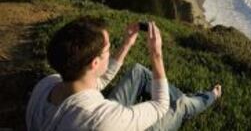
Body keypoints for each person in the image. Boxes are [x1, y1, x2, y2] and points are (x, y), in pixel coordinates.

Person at [26, 16, 222, 130]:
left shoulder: (46, 85)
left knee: (138, 71)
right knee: (177, 105)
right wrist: (156, 53)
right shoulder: (102, 120)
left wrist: (127, 44)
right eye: (108, 50)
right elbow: (159, 106)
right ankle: (210, 96)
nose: (110, 51)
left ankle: (186, 98)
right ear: (94, 63)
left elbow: (96, 82)